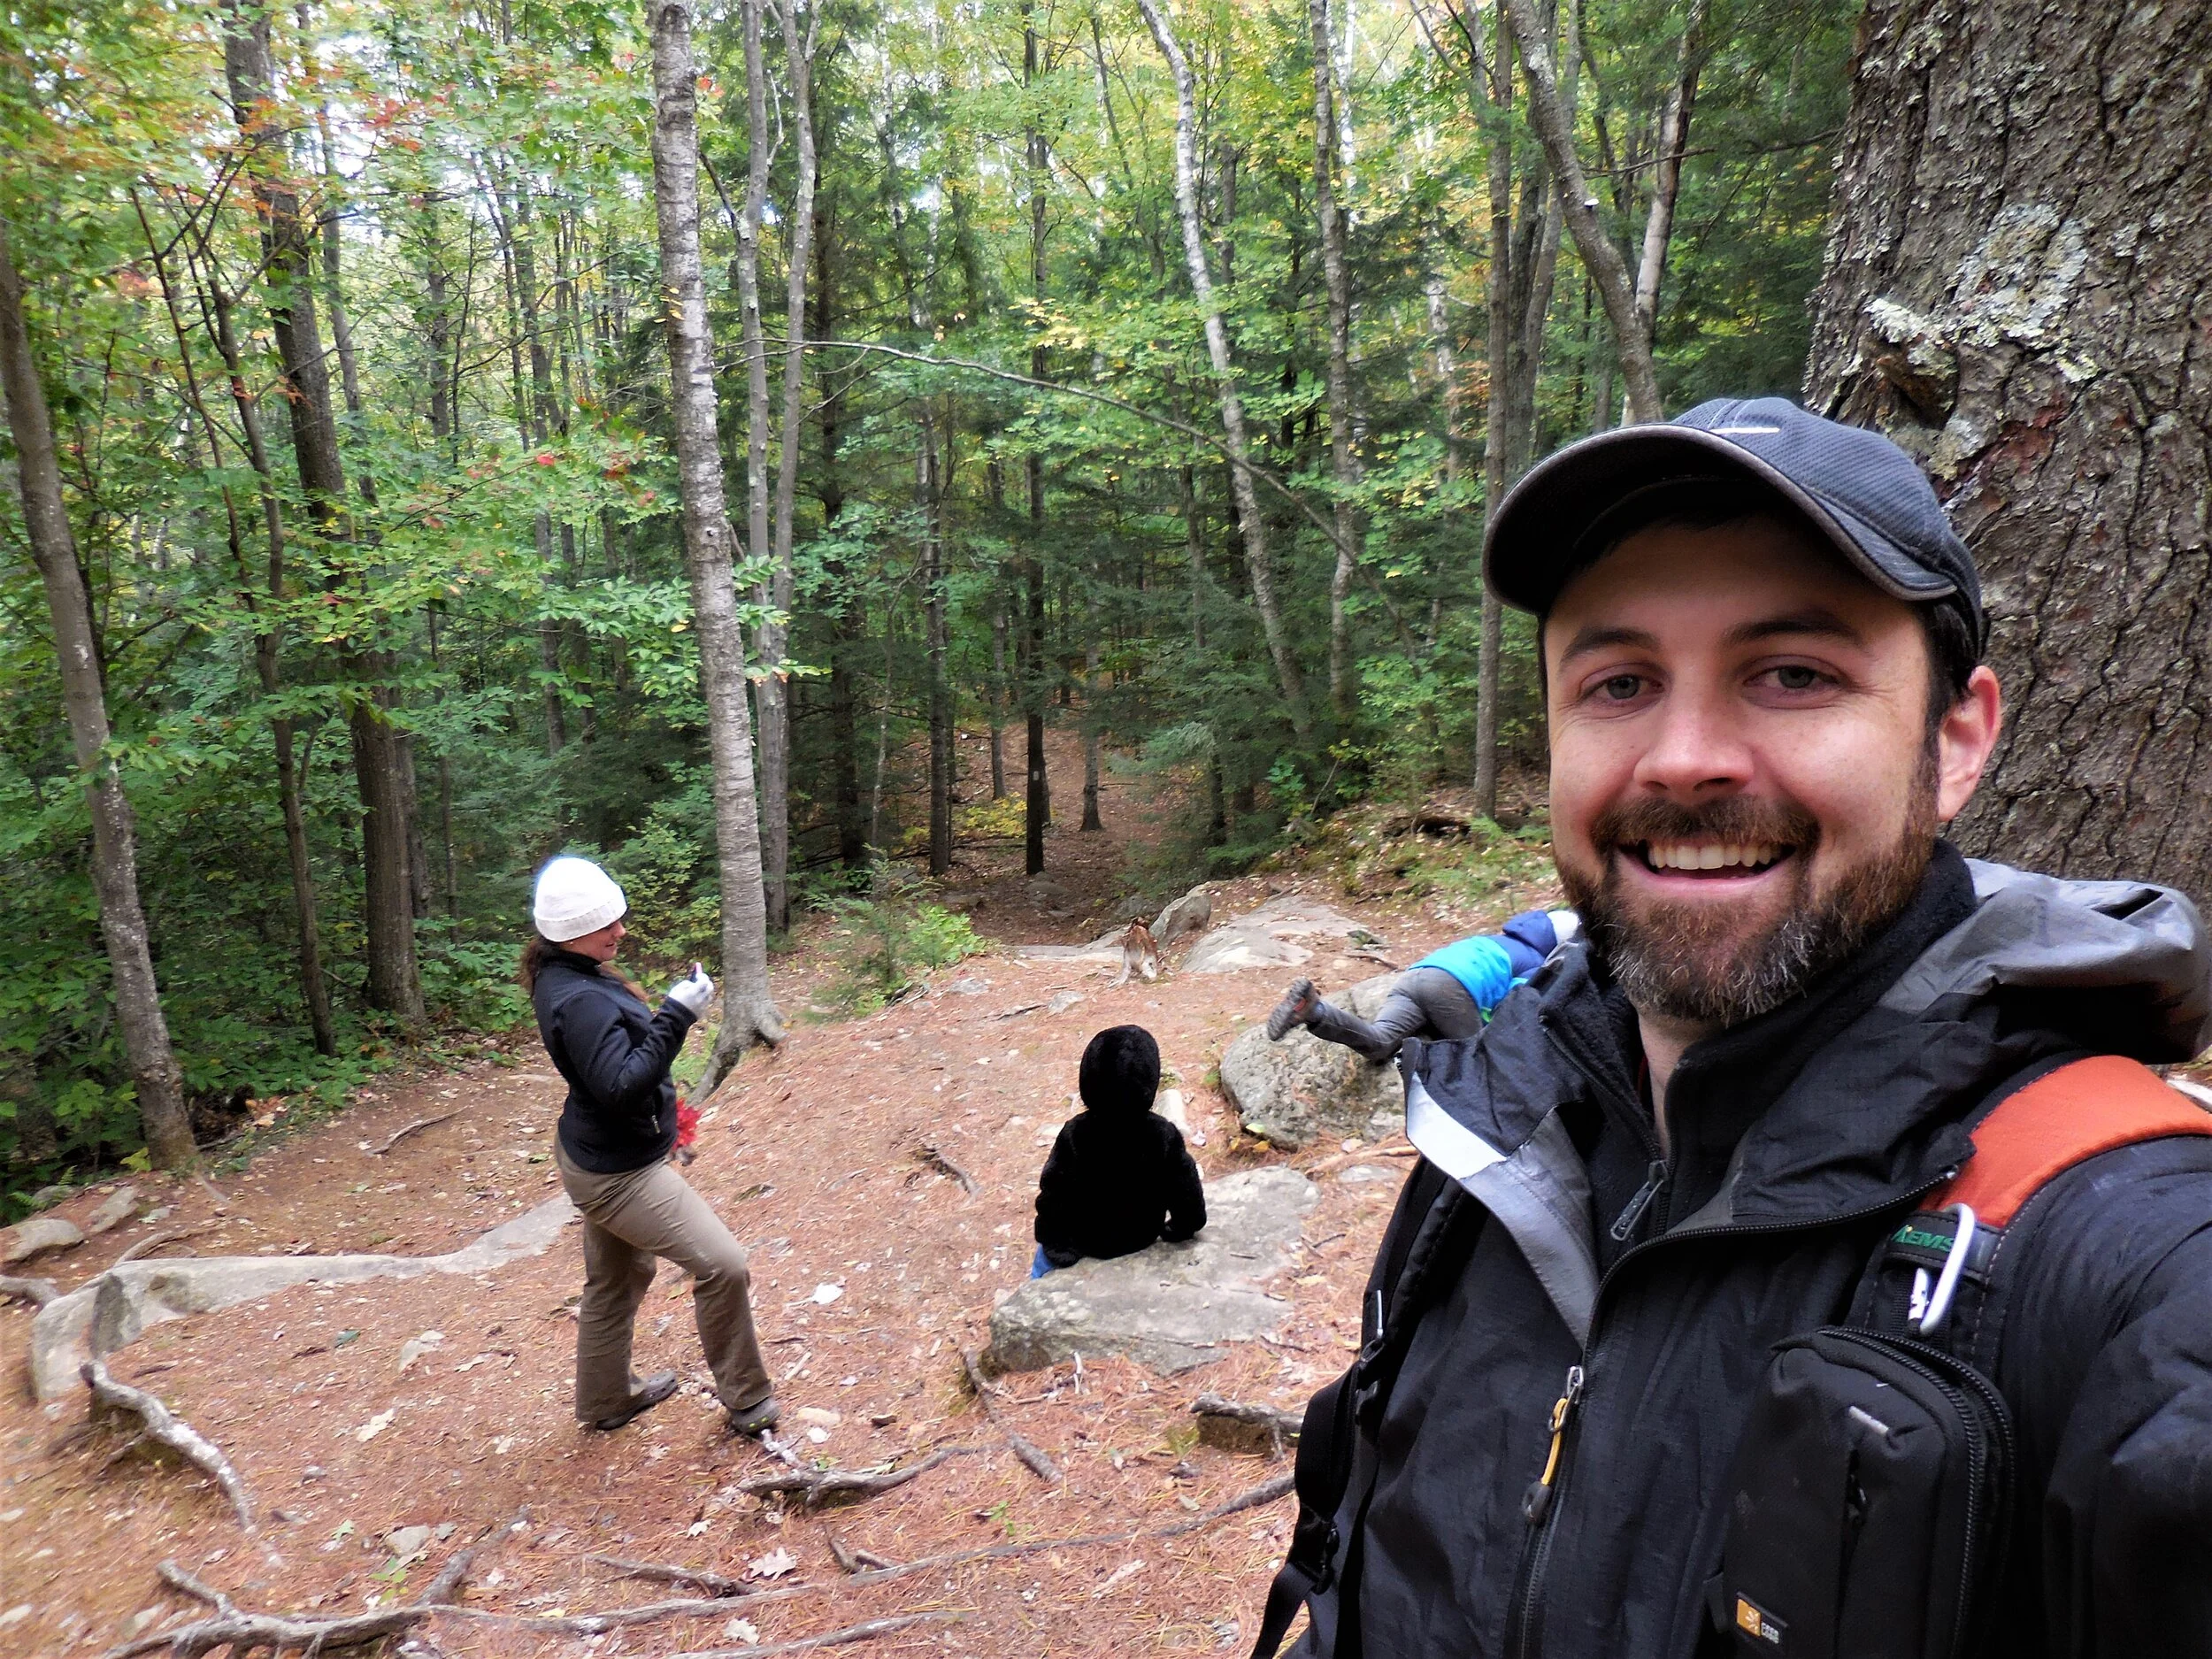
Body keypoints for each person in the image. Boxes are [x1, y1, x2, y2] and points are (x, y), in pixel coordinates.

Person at [1261, 398, 2212, 1656]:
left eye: (1793, 673)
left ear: (1958, 738)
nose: (1685, 759)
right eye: (1620, 681)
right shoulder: (1504, 1127)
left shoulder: (2126, 1260)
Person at [523, 856, 781, 1438]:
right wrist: (677, 1015)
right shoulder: (579, 997)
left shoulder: (569, 973)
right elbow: (620, 1086)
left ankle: (606, 1397)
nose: (621, 931)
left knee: (617, 1280)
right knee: (723, 1264)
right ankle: (748, 1399)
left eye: (619, 917)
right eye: (606, 923)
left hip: (593, 1154)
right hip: (620, 1174)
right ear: (570, 932)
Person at [1263, 909, 1580, 1061]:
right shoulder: (1535, 961)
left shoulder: (1495, 940)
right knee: (1484, 1060)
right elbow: (1516, 1003)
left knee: (1380, 1043)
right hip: (1451, 989)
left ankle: (1316, 1011)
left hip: (1415, 976)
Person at [1032, 1025, 1207, 1276]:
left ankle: (1039, 1280)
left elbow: (1053, 1194)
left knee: (1041, 1269)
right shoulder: (1163, 1134)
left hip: (1082, 1244)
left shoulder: (1075, 1133)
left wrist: (1055, 1246)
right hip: (1138, 1238)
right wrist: (1183, 1228)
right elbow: (1185, 1188)